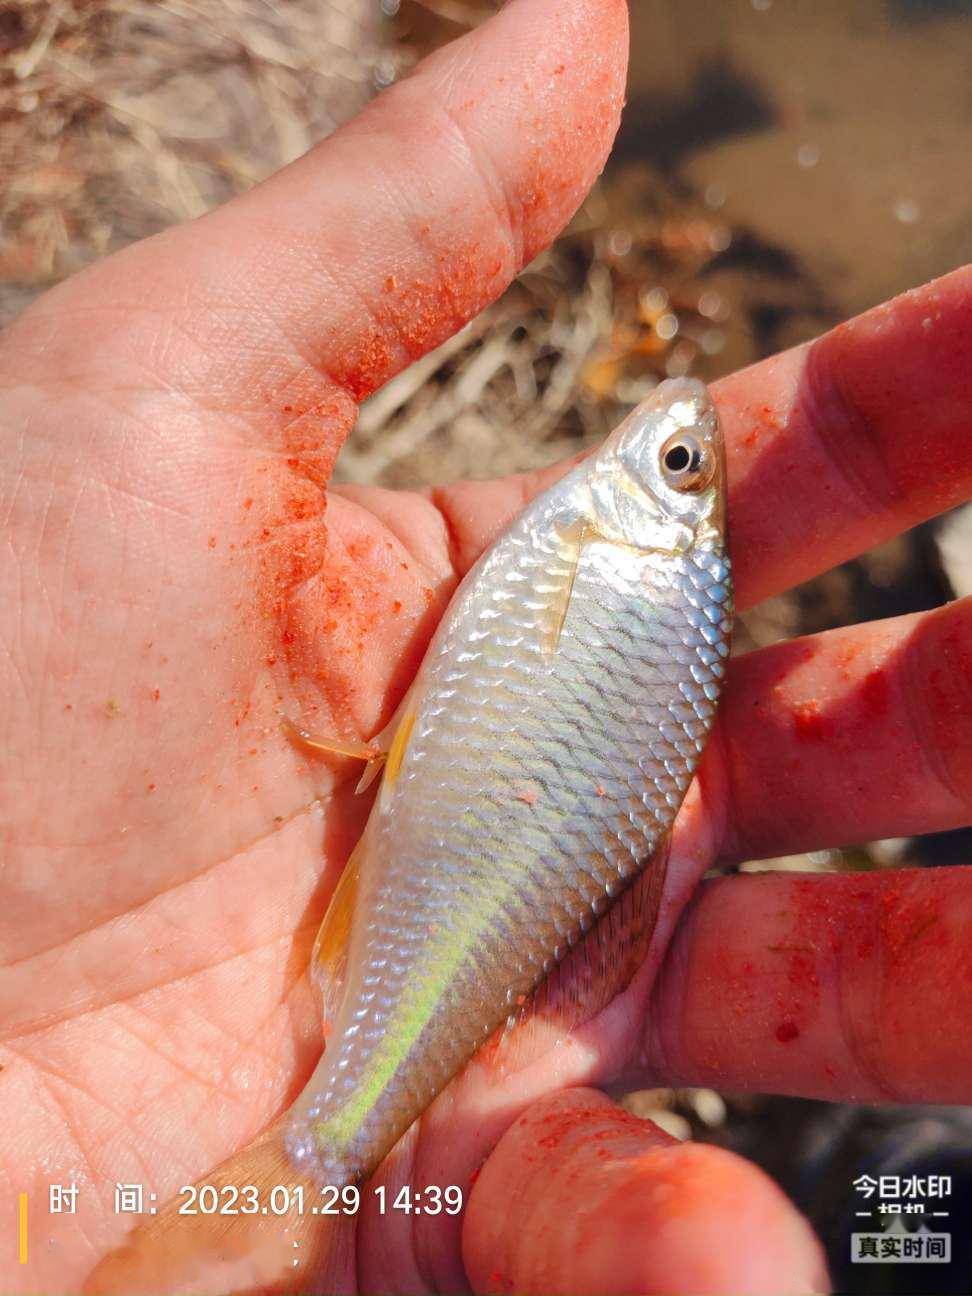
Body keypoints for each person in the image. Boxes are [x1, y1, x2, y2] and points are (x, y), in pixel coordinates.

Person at [2, 0, 970, 1291]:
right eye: (691, 468)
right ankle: (318, 1153)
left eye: (678, 466)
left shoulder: (617, 562)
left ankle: (318, 1149)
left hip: (461, 892)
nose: (673, 442)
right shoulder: (632, 581)